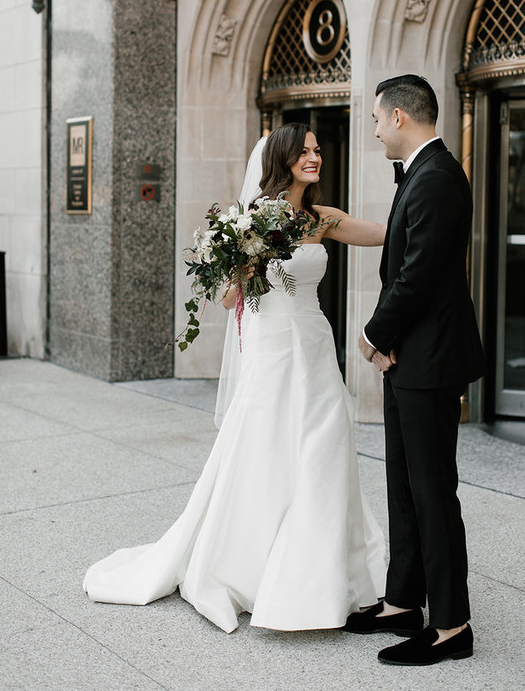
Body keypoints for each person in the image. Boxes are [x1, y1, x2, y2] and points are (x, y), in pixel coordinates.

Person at [83, 122, 387, 634]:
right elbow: (228, 300)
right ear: (283, 159)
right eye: (305, 152)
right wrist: (248, 255)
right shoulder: (251, 219)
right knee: (267, 446)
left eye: (317, 151)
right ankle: (254, 564)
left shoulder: (322, 218)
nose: (314, 158)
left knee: (326, 443)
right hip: (272, 347)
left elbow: (383, 234)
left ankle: (329, 566)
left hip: (313, 342)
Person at [342, 75, 485, 665]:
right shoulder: (422, 174)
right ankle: (403, 601)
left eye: (377, 120)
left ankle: (452, 627)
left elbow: (418, 275)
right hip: (411, 359)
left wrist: (375, 334)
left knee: (432, 492)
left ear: (400, 117)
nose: (374, 131)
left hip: (428, 360)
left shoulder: (439, 178)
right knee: (404, 486)